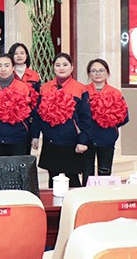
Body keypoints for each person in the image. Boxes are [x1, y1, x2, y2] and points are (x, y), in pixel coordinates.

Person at [32, 53, 92, 188]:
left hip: (71, 141)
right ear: (53, 68)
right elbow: (37, 114)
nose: (61, 68)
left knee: (72, 178)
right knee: (53, 178)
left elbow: (86, 118)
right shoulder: (45, 88)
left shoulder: (80, 88)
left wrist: (83, 141)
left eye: (65, 65)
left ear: (72, 67)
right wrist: (35, 135)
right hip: (50, 140)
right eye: (58, 65)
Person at [83, 58, 128, 180]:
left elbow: (124, 117)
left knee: (105, 173)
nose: (97, 73)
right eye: (93, 71)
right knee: (87, 173)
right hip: (86, 138)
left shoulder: (115, 93)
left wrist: (109, 125)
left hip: (106, 138)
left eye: (101, 70)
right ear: (89, 74)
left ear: (107, 73)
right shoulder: (83, 91)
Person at [0, 54, 34, 156]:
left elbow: (29, 111)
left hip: (18, 135)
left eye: (6, 65)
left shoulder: (23, 87)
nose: (3, 69)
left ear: (13, 67)